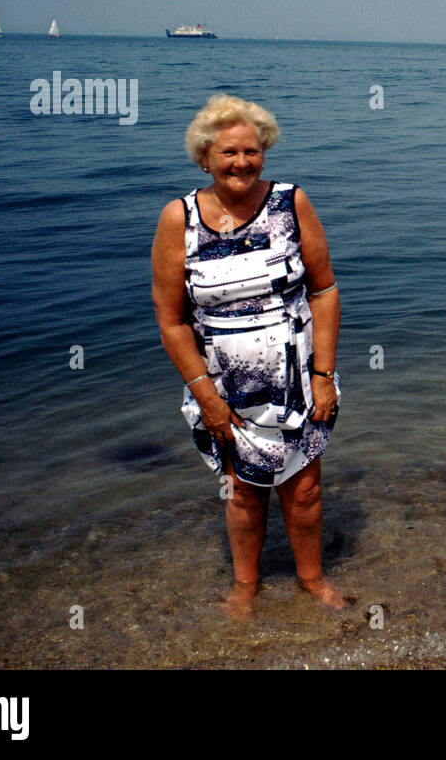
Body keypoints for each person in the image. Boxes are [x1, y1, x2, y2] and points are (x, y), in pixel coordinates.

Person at [150, 94, 347, 617]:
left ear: (265, 153)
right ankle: (245, 588)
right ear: (205, 158)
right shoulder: (179, 219)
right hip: (223, 389)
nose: (242, 162)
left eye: (252, 151)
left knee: (304, 491)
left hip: (298, 380)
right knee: (241, 493)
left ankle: (311, 580)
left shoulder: (291, 203)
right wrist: (206, 397)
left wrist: (323, 375)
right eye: (229, 152)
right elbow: (171, 321)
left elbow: (325, 291)